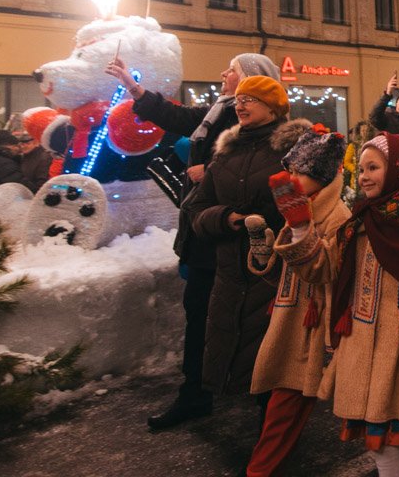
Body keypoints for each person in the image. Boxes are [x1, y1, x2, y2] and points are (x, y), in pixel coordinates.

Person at [275, 132, 399, 477]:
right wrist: (300, 227)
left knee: (384, 442)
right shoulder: (360, 219)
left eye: (373, 167)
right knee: (392, 441)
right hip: (360, 345)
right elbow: (322, 270)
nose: (364, 175)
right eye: (362, 168)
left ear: (397, 169)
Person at [107, 52, 281, 430]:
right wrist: (134, 88)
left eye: (231, 70)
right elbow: (176, 116)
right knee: (199, 314)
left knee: (248, 322)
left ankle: (265, 406)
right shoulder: (217, 112)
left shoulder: (259, 126)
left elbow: (256, 172)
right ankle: (196, 393)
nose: (223, 73)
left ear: (253, 81)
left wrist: (213, 170)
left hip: (234, 241)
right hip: (204, 231)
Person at [186, 77, 307, 420]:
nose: (240, 105)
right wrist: (226, 218)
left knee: (276, 361)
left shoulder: (294, 150)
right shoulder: (226, 153)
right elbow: (196, 207)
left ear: (273, 107)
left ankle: (273, 443)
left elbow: (309, 206)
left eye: (250, 99)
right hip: (230, 271)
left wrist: (276, 221)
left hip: (278, 271)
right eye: (238, 99)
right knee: (235, 346)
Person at [240, 123, 350, 477]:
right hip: (292, 322)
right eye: (289, 170)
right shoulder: (302, 208)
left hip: (313, 330)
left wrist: (301, 228)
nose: (290, 178)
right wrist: (263, 256)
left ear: (322, 176)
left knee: (285, 411)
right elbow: (288, 277)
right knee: (280, 411)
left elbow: (322, 272)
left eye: (299, 172)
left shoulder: (338, 218)